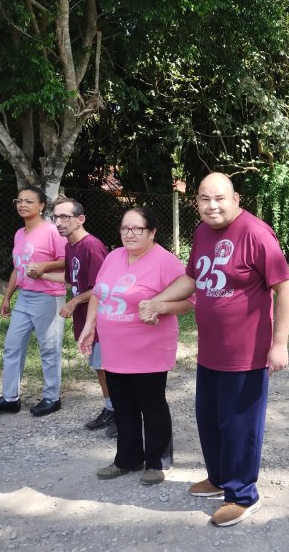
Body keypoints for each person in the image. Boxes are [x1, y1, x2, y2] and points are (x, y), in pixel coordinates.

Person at [141, 172, 289, 527]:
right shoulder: (202, 231)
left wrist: (280, 344)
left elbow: (285, 288)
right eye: (204, 198)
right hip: (210, 351)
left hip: (246, 355)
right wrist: (156, 300)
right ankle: (219, 478)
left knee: (239, 426)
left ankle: (243, 495)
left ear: (236, 198)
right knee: (210, 421)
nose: (211, 206)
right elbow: (193, 278)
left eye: (219, 198)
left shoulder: (256, 233)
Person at [78, 207, 193, 486]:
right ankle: (127, 458)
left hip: (148, 348)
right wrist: (90, 326)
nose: (129, 234)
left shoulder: (166, 262)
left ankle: (157, 462)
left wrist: (161, 306)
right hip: (114, 347)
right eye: (125, 228)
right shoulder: (114, 257)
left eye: (137, 229)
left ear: (152, 232)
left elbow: (189, 303)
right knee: (123, 405)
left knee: (151, 405)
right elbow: (99, 293)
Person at [0, 186, 67, 417]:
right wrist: (7, 297)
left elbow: (66, 261)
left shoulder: (52, 231)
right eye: (19, 200)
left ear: (41, 206)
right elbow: (17, 268)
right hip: (25, 298)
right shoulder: (20, 234)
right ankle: (10, 398)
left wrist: (43, 267)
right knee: (12, 346)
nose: (22, 204)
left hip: (49, 296)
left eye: (29, 201)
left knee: (49, 349)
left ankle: (52, 397)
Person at [41, 198, 114, 436]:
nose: (59, 223)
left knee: (107, 367)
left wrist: (72, 302)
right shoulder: (69, 245)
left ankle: (121, 412)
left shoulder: (91, 246)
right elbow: (74, 280)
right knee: (99, 367)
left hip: (101, 318)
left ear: (80, 219)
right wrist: (41, 274)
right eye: (56, 217)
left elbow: (102, 288)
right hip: (85, 317)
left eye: (65, 217)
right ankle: (111, 408)